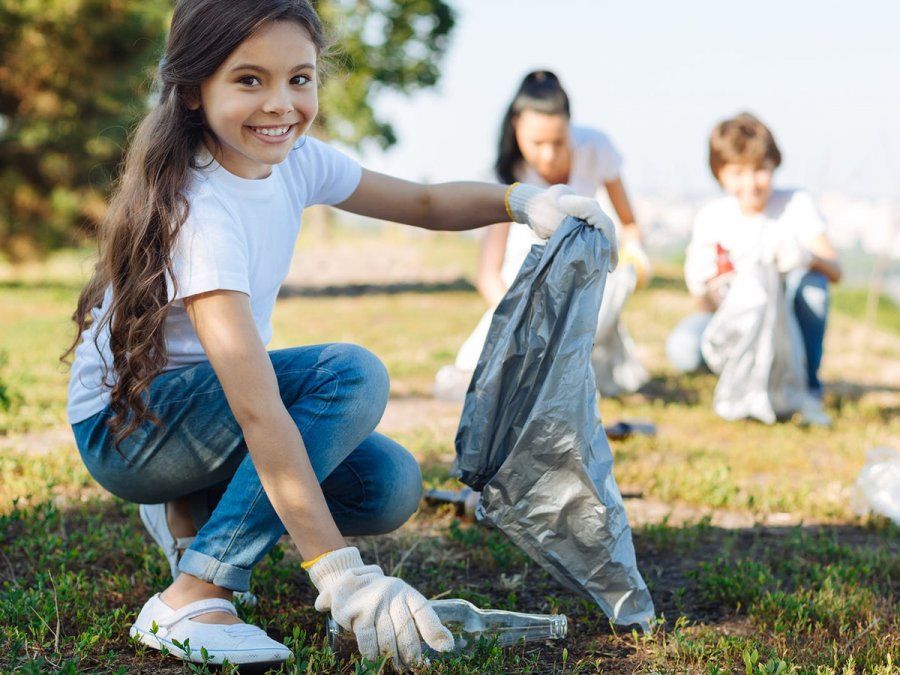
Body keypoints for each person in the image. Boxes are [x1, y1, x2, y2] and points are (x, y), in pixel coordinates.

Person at [62, 1, 618, 669]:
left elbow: (422, 202)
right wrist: (340, 575)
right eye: (248, 80)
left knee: (389, 483)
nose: (280, 103)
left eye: (299, 78)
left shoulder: (295, 162)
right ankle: (194, 589)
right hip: (129, 430)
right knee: (349, 375)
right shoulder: (200, 208)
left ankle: (196, 507)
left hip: (194, 417)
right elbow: (256, 408)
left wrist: (522, 201)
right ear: (191, 92)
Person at [435, 71, 650, 401]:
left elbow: (630, 224)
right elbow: (488, 274)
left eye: (558, 142)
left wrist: (635, 258)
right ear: (515, 128)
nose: (548, 155)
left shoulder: (595, 146)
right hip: (524, 291)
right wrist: (524, 317)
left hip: (586, 284)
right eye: (537, 143)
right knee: (473, 373)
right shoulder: (505, 175)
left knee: (600, 303)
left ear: (570, 128)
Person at [666, 112, 841, 423]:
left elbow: (835, 270)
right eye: (738, 172)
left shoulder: (795, 204)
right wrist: (701, 284)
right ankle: (739, 377)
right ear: (720, 173)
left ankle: (807, 386)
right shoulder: (713, 217)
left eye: (760, 170)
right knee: (683, 348)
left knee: (813, 286)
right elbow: (706, 307)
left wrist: (806, 257)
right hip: (735, 325)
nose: (751, 183)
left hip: (788, 325)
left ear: (774, 165)